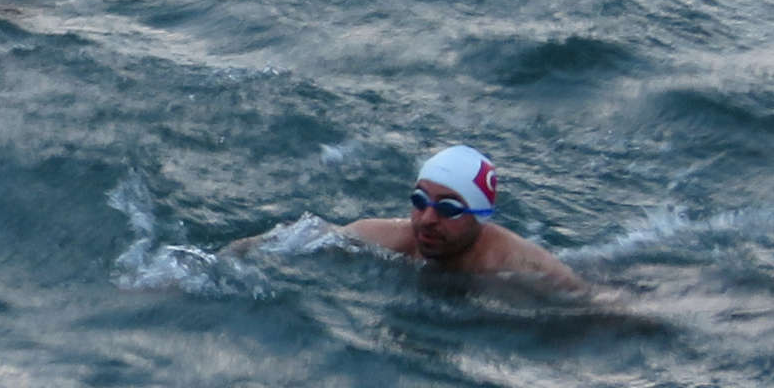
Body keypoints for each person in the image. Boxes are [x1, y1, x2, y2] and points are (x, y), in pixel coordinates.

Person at [244, 143, 584, 289]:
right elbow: (291, 237)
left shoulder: (519, 269)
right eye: (420, 201)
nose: (426, 219)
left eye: (449, 208)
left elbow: (598, 309)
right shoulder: (386, 237)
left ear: (482, 217)